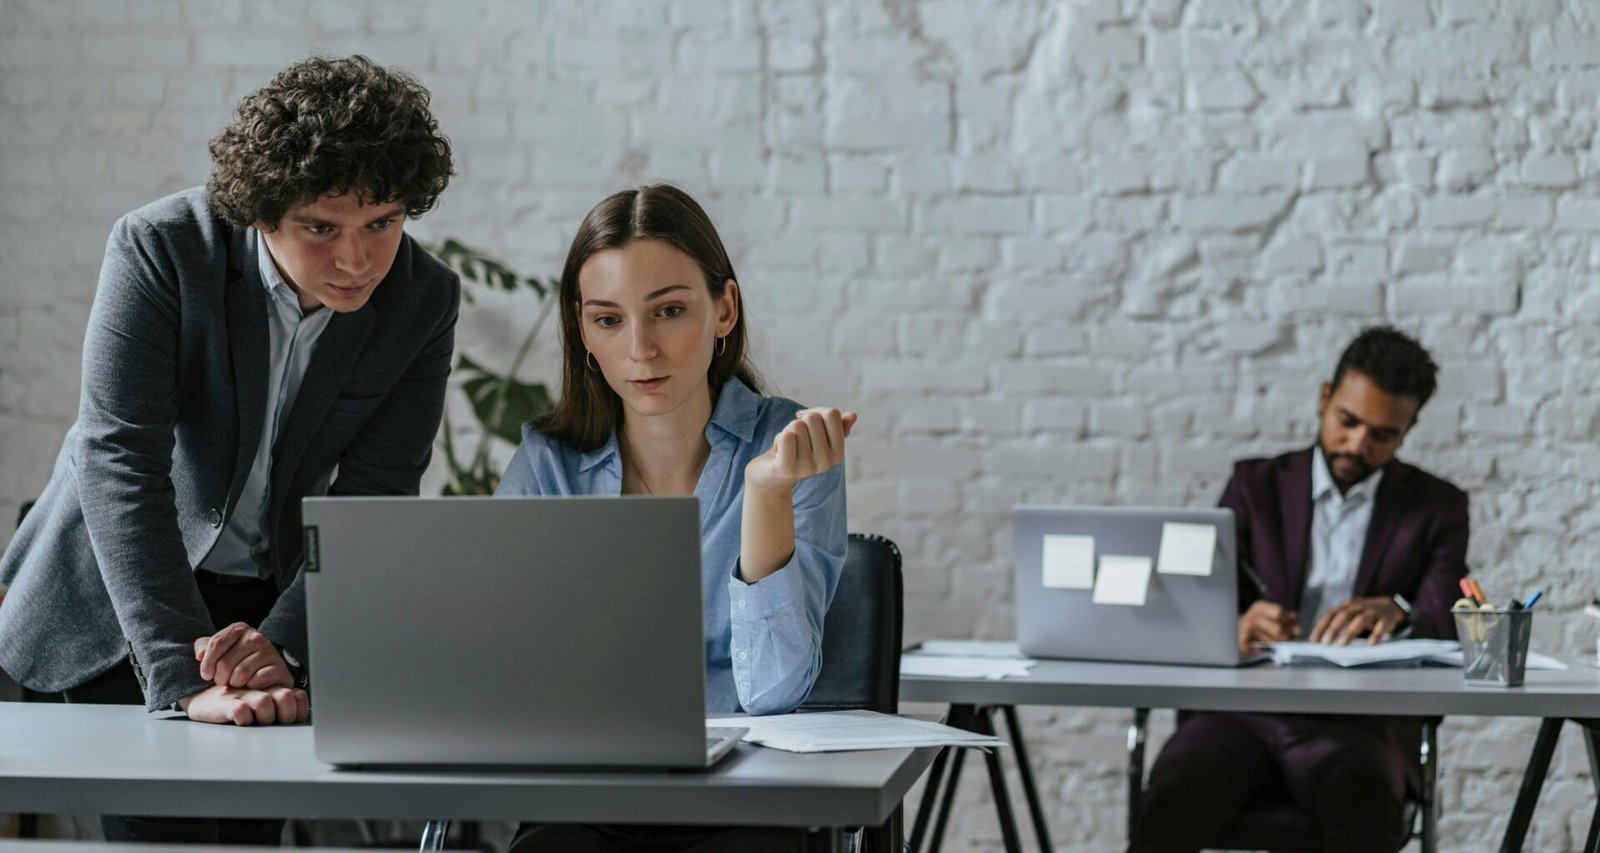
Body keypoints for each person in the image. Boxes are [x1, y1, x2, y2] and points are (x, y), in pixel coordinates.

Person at [0, 54, 458, 844]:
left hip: (269, 604)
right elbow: (122, 465)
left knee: (246, 838)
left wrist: (281, 645)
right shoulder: (161, 249)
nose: (356, 260)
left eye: (381, 223)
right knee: (162, 833)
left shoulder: (423, 298)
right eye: (321, 228)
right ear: (259, 211)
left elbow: (375, 493)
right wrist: (181, 680)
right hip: (122, 600)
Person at [497, 184, 851, 852]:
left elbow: (774, 692)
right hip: (586, 796)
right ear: (581, 328)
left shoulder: (792, 448)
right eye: (609, 319)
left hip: (750, 798)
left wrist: (766, 496)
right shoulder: (547, 463)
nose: (641, 349)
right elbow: (503, 672)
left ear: (724, 309)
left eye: (669, 311)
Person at [1128, 326, 1469, 853]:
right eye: (1348, 422)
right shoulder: (1254, 485)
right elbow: (1196, 599)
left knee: (1367, 807)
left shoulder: (1437, 508)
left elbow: (1446, 622)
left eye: (1381, 435)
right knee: (1173, 798)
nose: (1357, 445)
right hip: (1238, 717)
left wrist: (1398, 612)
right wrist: (1236, 624)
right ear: (1324, 397)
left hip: (1358, 728)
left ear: (1408, 429)